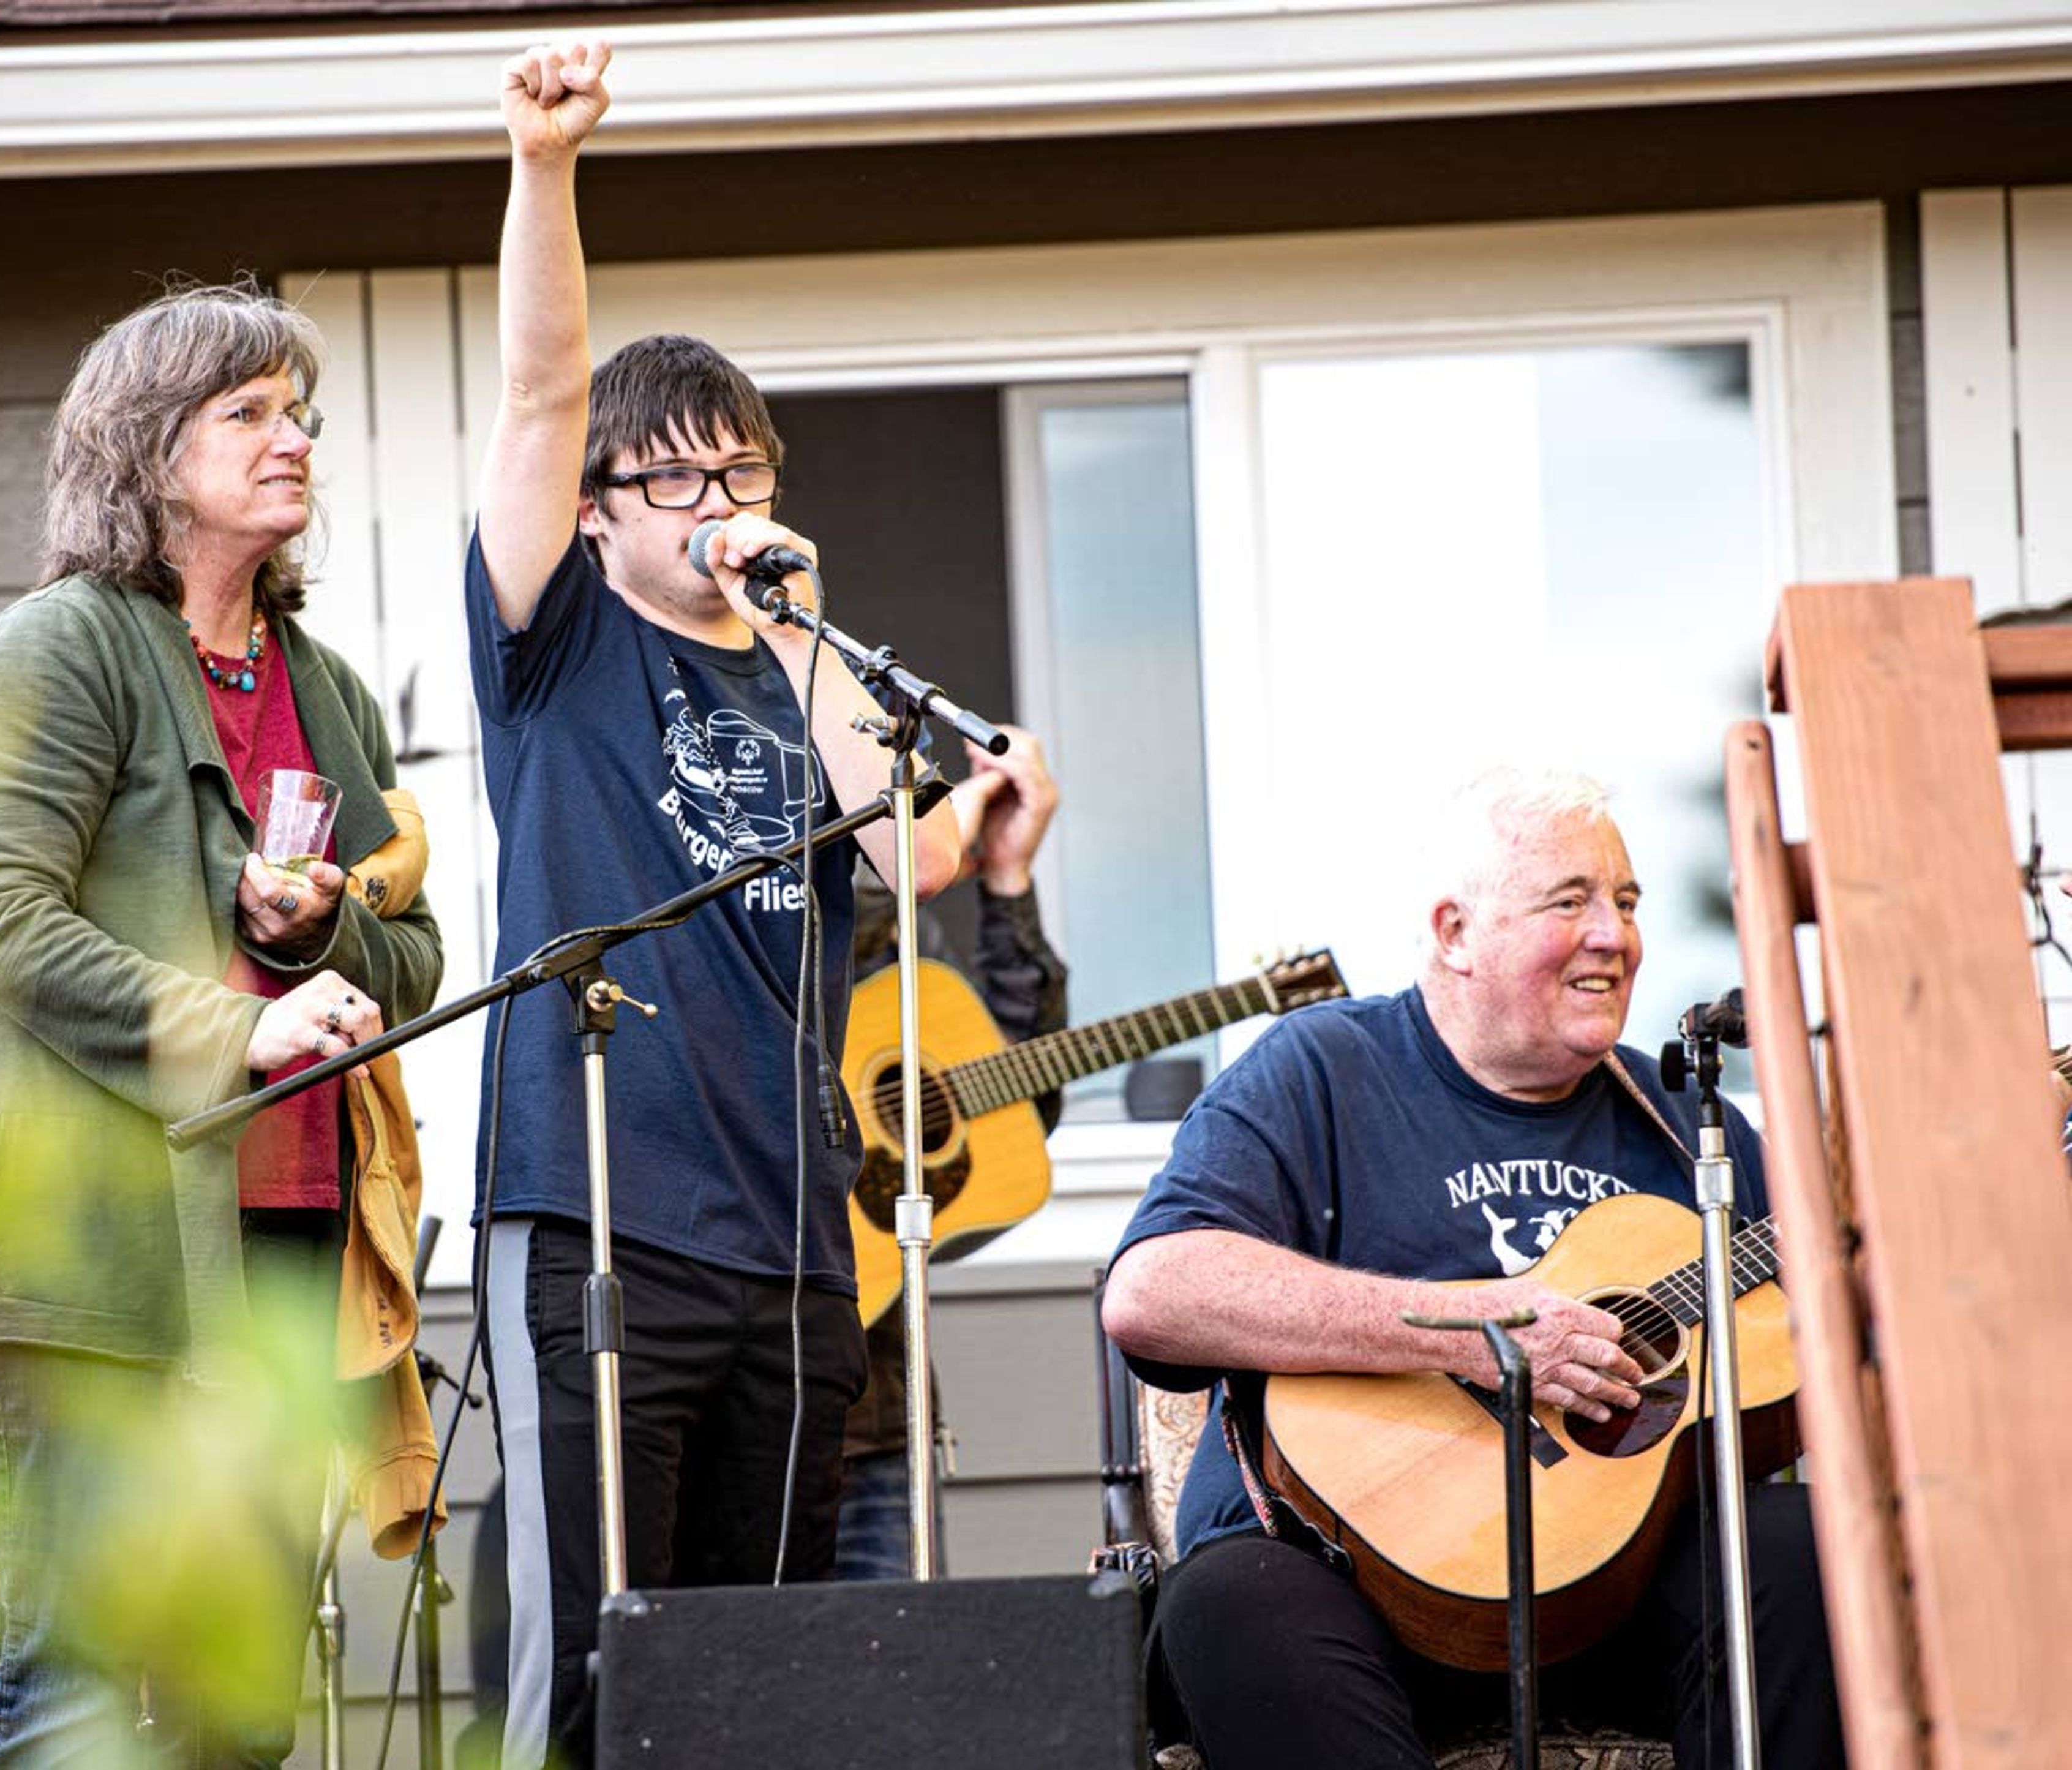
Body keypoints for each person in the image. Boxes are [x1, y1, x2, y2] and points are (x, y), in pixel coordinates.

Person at [466, 40, 963, 1768]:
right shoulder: (561, 645)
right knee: (604, 1679)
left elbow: (919, 859)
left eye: (741, 472)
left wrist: (804, 622)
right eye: (675, 480)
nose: (717, 508)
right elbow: (540, 401)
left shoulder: (813, 671)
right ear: (601, 517)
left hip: (798, 1241)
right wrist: (546, 167)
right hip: (597, 1221)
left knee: (768, 1686)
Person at [0, 283, 443, 1766]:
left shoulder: (326, 689)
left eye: (301, 413)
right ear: (146, 453)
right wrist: (237, 1027)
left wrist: (319, 928)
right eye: (249, 414)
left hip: (279, 1259)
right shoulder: (54, 647)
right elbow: (2, 926)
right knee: (71, 1679)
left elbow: (417, 960)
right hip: (82, 1252)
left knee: (245, 1710)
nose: (295, 441)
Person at [1100, 767, 1843, 1770]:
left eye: (1626, 903)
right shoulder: (1320, 1068)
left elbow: (1832, 1325)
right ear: (1455, 932)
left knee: (1800, 1554)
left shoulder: (1686, 1129)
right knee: (1230, 1607)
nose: (1614, 935)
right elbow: (1153, 1292)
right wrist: (1475, 1327)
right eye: (1570, 901)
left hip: (1612, 1589)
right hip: (1346, 1578)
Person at [836, 727, 1067, 1580]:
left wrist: (1005, 877)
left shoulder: (907, 947)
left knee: (897, 1690)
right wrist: (938, 839)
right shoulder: (801, 907)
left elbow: (1017, 1100)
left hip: (879, 1417)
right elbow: (792, 932)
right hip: (741, 1421)